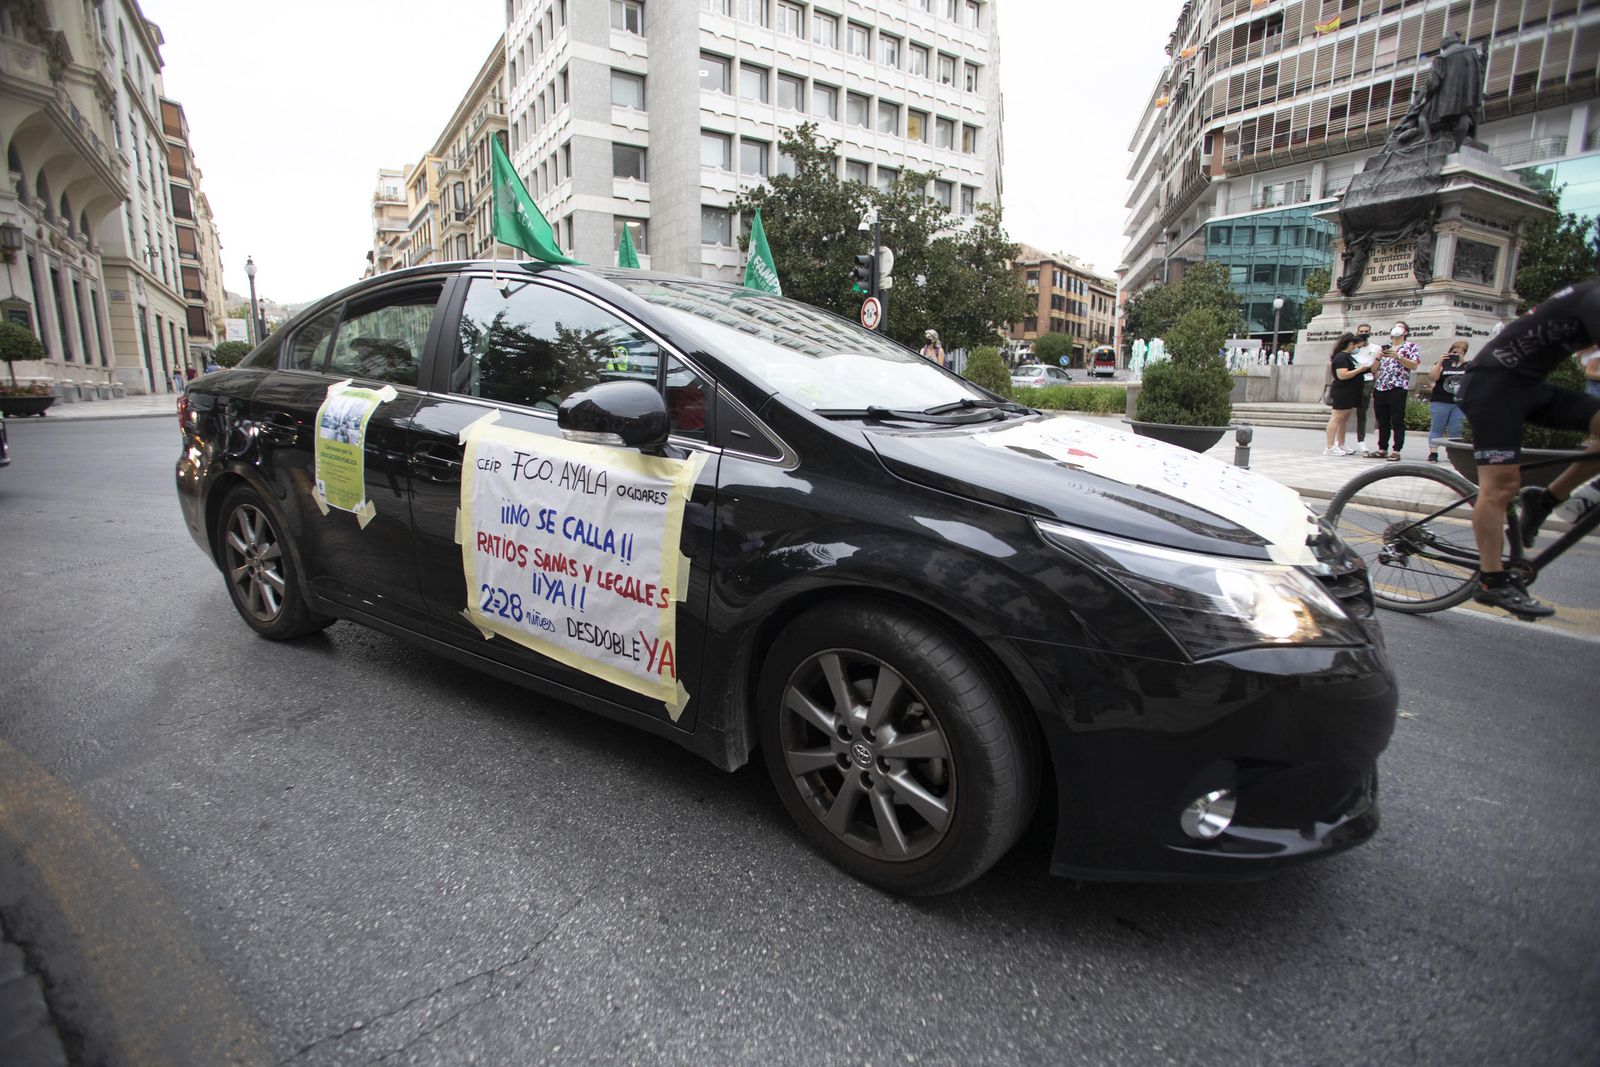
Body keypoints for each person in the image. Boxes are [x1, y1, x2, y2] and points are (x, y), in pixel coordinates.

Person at [1457, 279, 1600, 617]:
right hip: (1491, 387)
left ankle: (1545, 500)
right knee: (1501, 487)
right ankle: (1491, 582)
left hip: (1528, 385)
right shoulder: (1595, 298)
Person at [1370, 322, 1421, 460]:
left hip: (1397, 387)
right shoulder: (1384, 347)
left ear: (1405, 332)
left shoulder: (1411, 347)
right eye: (1395, 326)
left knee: (1397, 419)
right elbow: (1373, 369)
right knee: (1382, 420)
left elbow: (1414, 365)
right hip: (1381, 387)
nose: (1397, 328)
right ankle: (1382, 448)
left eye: (1401, 326)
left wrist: (1398, 356)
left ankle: (1396, 449)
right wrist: (1378, 357)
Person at [1323, 333, 1366, 455]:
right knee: (1336, 418)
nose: (1357, 349)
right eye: (1357, 346)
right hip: (1343, 391)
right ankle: (1330, 446)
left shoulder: (1348, 357)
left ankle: (1341, 443)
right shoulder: (1341, 357)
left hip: (1350, 391)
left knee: (1343, 419)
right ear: (1350, 344)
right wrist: (1359, 370)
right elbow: (1342, 375)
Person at [1426, 339, 1469, 461]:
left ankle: (1453, 454)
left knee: (1456, 429)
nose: (1457, 354)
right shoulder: (1442, 364)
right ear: (1449, 351)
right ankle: (1433, 453)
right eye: (1454, 351)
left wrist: (1463, 362)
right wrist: (1440, 361)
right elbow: (1433, 377)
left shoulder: (1467, 365)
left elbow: (1471, 380)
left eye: (1461, 352)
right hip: (1440, 401)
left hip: (1458, 403)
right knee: (1437, 427)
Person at [1351, 323, 1376, 455]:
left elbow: (1376, 367)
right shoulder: (1353, 348)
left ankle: (1361, 441)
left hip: (1366, 381)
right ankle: (1339, 441)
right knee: (1343, 413)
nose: (1364, 333)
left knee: (1362, 413)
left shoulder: (1375, 348)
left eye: (1366, 331)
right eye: (1361, 331)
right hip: (1351, 382)